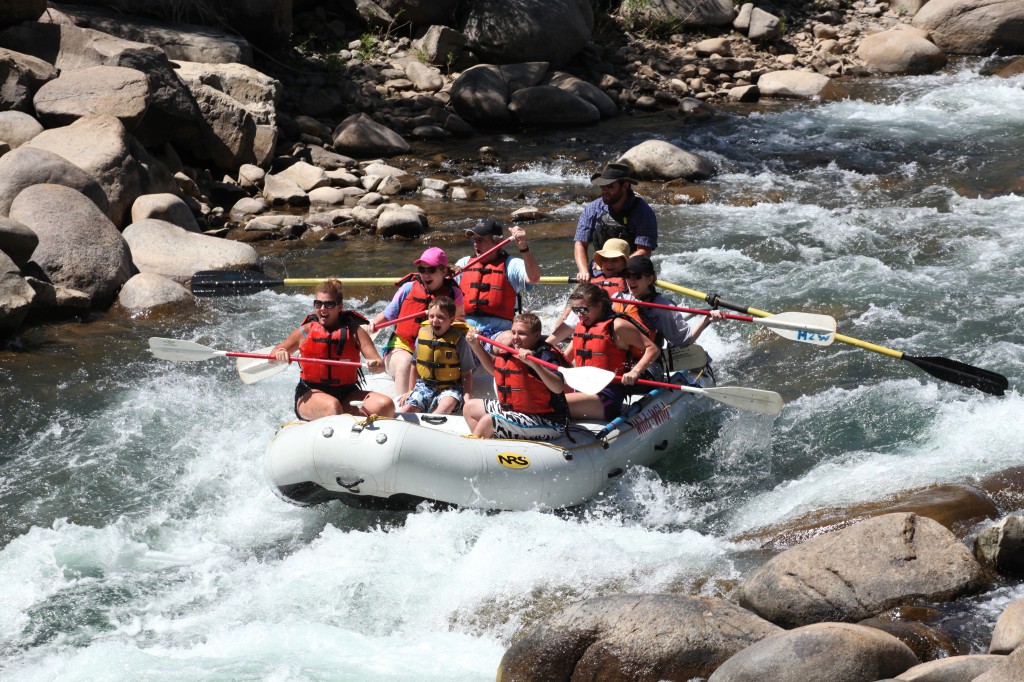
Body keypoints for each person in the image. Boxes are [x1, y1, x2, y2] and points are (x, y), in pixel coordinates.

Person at [272, 279, 396, 420]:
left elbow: (379, 365)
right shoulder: (306, 331)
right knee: (332, 406)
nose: (323, 308)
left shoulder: (355, 331)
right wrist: (280, 353)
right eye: (318, 304)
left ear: (339, 307)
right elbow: (274, 353)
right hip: (310, 393)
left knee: (386, 406)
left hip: (347, 393)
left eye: (329, 304)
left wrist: (375, 365)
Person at [370, 247, 464, 398]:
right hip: (402, 347)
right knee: (406, 362)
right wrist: (372, 326)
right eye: (422, 269)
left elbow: (459, 325)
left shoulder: (454, 294)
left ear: (444, 272)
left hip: (434, 350)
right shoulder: (408, 288)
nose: (426, 274)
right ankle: (402, 405)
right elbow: (388, 315)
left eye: (431, 270)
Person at [464, 313, 570, 440]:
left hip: (548, 421)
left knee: (489, 420)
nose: (515, 338)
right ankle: (489, 443)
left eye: (521, 333)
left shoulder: (545, 354)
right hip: (517, 411)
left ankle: (477, 447)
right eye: (513, 332)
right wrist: (475, 345)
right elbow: (494, 367)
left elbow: (558, 387)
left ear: (536, 335)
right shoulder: (511, 349)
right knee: (469, 408)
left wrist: (535, 365)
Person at [563, 282, 661, 421]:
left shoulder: (618, 326)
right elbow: (564, 358)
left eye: (583, 310)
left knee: (555, 404)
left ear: (599, 305)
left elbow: (653, 349)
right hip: (582, 388)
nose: (579, 315)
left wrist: (635, 372)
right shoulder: (582, 327)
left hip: (607, 395)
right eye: (575, 310)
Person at [616, 255, 722, 377]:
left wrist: (706, 319)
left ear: (650, 279)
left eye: (636, 276)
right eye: (627, 276)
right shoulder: (619, 298)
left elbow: (685, 340)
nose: (631, 280)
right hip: (620, 358)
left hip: (649, 363)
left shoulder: (663, 308)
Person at [454, 219, 541, 340]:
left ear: (498, 242)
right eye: (475, 240)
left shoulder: (512, 264)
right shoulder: (464, 263)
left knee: (510, 340)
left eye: (481, 240)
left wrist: (523, 246)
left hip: (498, 334)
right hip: (466, 330)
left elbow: (534, 278)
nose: (476, 244)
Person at [574, 161, 658, 284]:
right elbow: (580, 243)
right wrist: (583, 271)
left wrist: (619, 267)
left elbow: (644, 251)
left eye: (610, 186)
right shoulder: (592, 209)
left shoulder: (643, 212)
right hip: (598, 271)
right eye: (602, 186)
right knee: (576, 301)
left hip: (629, 272)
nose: (604, 191)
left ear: (625, 185)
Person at [547, 238, 641, 344]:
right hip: (589, 322)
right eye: (605, 260)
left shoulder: (632, 283)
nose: (609, 264)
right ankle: (547, 346)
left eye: (614, 260)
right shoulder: (593, 280)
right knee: (579, 315)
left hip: (613, 330)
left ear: (625, 263)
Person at [398, 296, 475, 414]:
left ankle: (432, 422)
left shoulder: (460, 340)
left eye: (440, 317)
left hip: (450, 387)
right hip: (425, 386)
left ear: (451, 320)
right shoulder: (422, 335)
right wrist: (410, 390)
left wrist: (467, 397)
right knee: (406, 410)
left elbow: (466, 372)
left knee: (446, 404)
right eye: (431, 316)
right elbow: (415, 364)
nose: (435, 320)